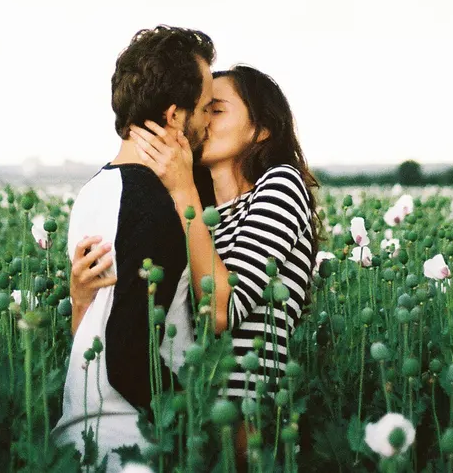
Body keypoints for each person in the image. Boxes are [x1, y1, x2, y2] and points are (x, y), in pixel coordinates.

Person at [70, 64, 321, 460]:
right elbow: (116, 346)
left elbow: (221, 311)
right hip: (191, 423)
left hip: (247, 427)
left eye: (216, 110)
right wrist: (83, 300)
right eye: (203, 110)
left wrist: (182, 187)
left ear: (261, 129)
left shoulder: (281, 185)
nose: (204, 122)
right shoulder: (198, 215)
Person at [51, 25, 216, 472]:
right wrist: (192, 422)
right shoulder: (156, 206)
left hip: (82, 438)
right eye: (205, 108)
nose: (208, 122)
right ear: (175, 116)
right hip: (133, 445)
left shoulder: (95, 189)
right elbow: (127, 355)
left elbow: (96, 327)